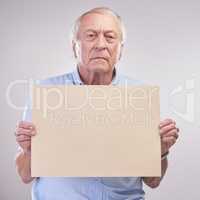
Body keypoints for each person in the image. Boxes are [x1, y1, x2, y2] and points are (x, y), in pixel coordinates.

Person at [14, 7, 179, 200]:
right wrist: (28, 150)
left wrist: (161, 150)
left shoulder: (139, 97)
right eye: (91, 36)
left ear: (120, 50)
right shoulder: (46, 93)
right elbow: (25, 176)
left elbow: (153, 181)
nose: (101, 44)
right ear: (74, 46)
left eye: (110, 37)